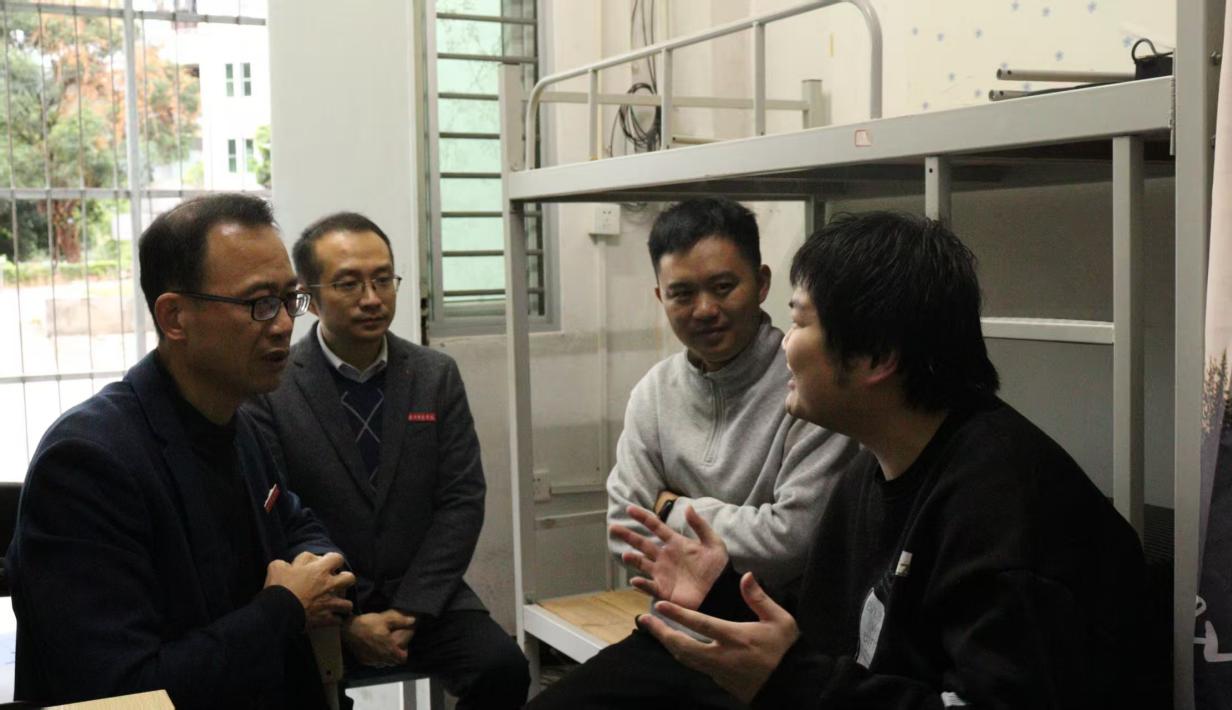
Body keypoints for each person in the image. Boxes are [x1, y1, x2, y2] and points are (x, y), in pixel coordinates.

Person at [620, 211, 1148, 708]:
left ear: (875, 358)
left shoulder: (1002, 509)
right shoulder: (873, 469)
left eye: (800, 323)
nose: (784, 346)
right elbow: (828, 648)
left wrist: (791, 679)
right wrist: (722, 597)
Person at [7, 194, 356, 709]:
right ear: (174, 316)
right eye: (259, 303)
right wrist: (284, 607)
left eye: (290, 299)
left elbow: (295, 521)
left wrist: (317, 567)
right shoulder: (87, 464)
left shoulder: (238, 422)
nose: (284, 324)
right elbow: (121, 695)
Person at [528, 197, 854, 709]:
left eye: (723, 287)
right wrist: (737, 523)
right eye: (682, 293)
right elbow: (625, 533)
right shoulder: (654, 393)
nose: (704, 309)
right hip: (671, 633)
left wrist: (670, 508)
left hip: (769, 649)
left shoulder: (808, 388)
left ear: (762, 283)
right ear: (661, 297)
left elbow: (792, 542)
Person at [244, 212, 528, 709]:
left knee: (503, 669)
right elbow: (276, 514)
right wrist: (347, 623)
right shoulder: (274, 386)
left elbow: (462, 499)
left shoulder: (434, 374)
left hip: (426, 597)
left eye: (382, 280)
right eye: (349, 284)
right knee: (285, 692)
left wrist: (410, 610)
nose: (372, 298)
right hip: (322, 604)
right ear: (309, 298)